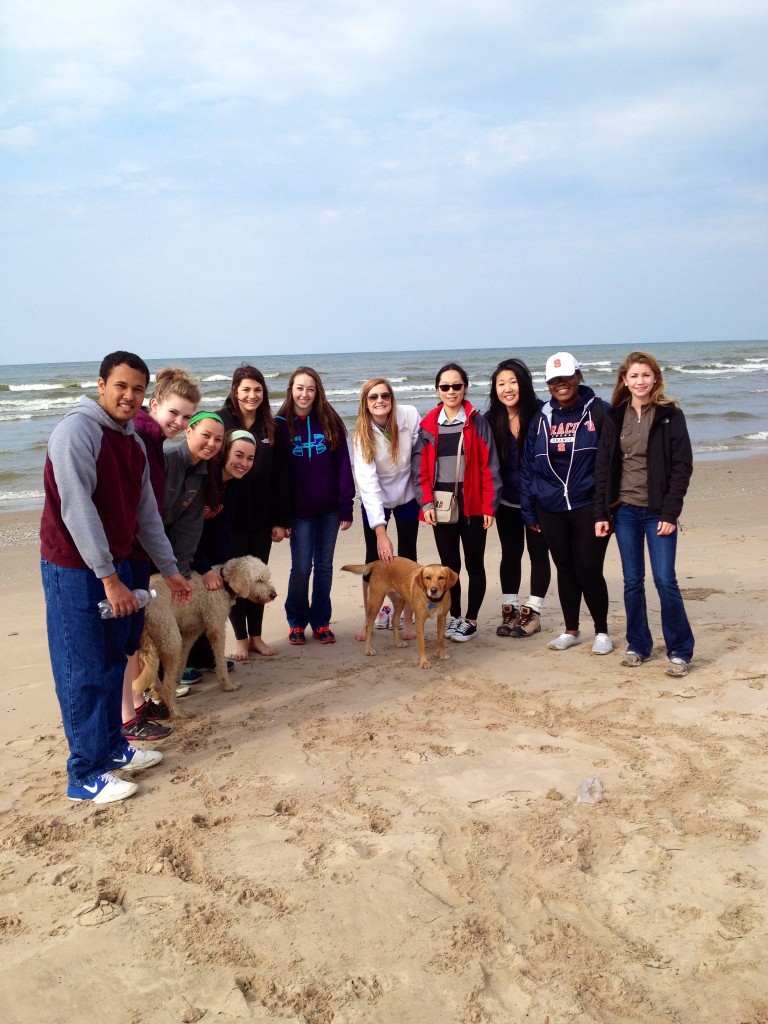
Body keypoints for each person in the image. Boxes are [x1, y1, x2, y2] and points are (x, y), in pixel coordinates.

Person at [40, 351, 191, 804]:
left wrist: (171, 571)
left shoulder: (131, 441)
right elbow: (77, 508)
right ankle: (84, 773)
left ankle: (110, 749)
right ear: (101, 384)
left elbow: (147, 512)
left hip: (118, 561)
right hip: (75, 567)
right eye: (121, 385)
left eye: (138, 389)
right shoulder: (76, 431)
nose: (129, 396)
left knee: (112, 662)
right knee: (82, 669)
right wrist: (108, 578)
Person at [594, 351, 694, 676]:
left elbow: (682, 466)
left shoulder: (669, 414)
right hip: (624, 511)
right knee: (632, 581)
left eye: (646, 375)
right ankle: (638, 644)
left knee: (665, 580)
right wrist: (601, 513)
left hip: (658, 513)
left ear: (656, 379)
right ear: (625, 380)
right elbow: (603, 468)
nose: (640, 381)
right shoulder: (614, 416)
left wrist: (670, 511)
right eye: (634, 376)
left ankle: (680, 650)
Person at [121, 368, 200, 742]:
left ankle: (136, 705)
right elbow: (142, 511)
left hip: (137, 551)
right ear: (155, 405)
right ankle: (129, 713)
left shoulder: (154, 443)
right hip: (125, 551)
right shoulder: (137, 436)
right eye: (174, 413)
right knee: (125, 641)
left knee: (132, 637)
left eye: (186, 417)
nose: (179, 421)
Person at [520, 352, 612, 654]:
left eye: (567, 377)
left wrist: (609, 505)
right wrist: (528, 509)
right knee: (565, 568)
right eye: (555, 380)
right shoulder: (540, 418)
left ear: (578, 376)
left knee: (589, 568)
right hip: (549, 507)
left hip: (588, 505)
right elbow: (528, 467)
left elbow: (615, 460)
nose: (562, 384)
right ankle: (571, 630)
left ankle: (601, 632)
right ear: (548, 385)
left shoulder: (598, 411)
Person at [414, 362, 500, 642]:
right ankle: (455, 617)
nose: (451, 391)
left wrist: (490, 506)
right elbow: (420, 471)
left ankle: (471, 621)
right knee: (449, 568)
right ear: (437, 390)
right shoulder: (427, 425)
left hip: (473, 505)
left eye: (457, 386)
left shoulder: (478, 422)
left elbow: (490, 467)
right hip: (441, 507)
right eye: (445, 386)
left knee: (475, 565)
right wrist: (425, 504)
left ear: (465, 388)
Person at [275, 366, 354, 645]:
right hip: (299, 512)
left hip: (330, 509)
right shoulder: (280, 424)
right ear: (291, 390)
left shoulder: (330, 421)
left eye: (310, 388)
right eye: (299, 388)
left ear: (317, 391)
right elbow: (276, 474)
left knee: (323, 566)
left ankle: (321, 621)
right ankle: (296, 622)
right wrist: (281, 517)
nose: (304, 394)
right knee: (300, 568)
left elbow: (344, 466)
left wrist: (347, 506)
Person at [218, 365, 290, 659]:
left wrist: (280, 520)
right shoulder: (222, 422)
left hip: (262, 517)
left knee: (258, 579)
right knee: (235, 580)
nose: (252, 395)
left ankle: (257, 637)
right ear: (235, 391)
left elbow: (282, 476)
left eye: (257, 390)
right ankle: (240, 639)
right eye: (246, 389)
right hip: (228, 517)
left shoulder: (271, 426)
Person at [485, 359, 551, 638]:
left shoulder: (542, 413)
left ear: (523, 384)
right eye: (501, 384)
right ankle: (510, 610)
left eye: (512, 382)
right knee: (510, 554)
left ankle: (532, 613)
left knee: (538, 553)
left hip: (538, 501)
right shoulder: (491, 420)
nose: (507, 388)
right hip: (507, 501)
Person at [351, 377, 421, 640]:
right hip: (376, 496)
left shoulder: (410, 415)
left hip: (407, 494)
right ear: (365, 403)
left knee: (408, 557)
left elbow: (420, 454)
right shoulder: (361, 434)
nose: (379, 401)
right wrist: (380, 532)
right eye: (373, 397)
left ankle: (408, 621)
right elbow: (367, 484)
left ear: (391, 399)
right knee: (374, 560)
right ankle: (371, 617)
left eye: (384, 396)